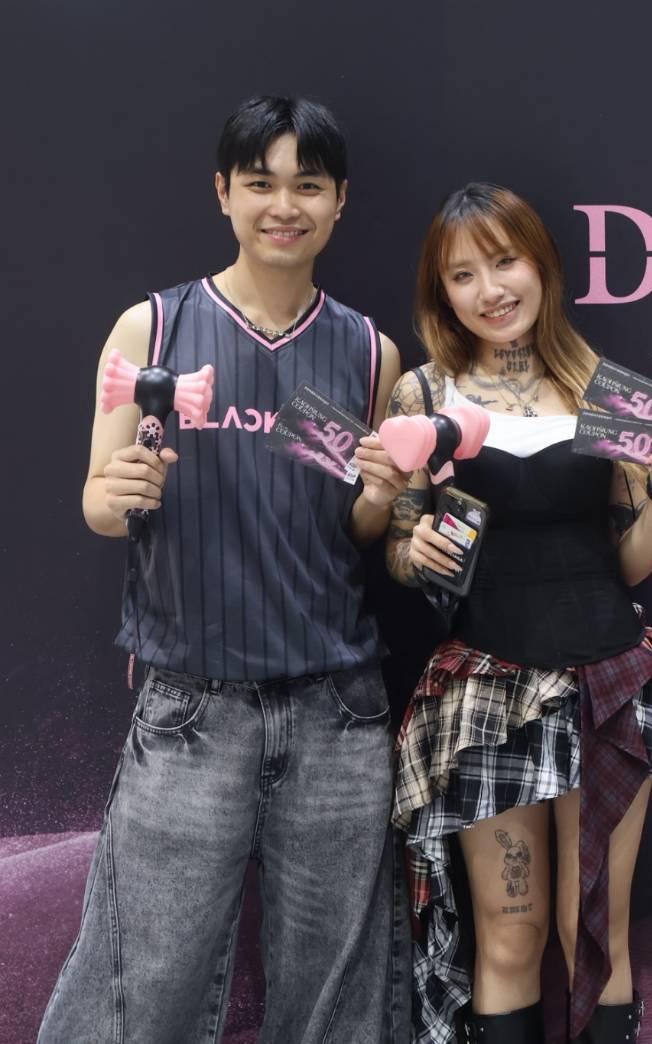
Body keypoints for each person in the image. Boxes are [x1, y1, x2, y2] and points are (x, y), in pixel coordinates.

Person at [42, 96, 412, 1043]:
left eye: (307, 186)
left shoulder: (371, 354)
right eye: (260, 183)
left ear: (340, 202)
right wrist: (120, 489)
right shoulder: (150, 330)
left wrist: (380, 495)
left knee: (335, 1005)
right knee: (136, 993)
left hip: (340, 713)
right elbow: (98, 501)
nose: (283, 206)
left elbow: (360, 529)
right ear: (222, 192)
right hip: (191, 710)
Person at [385, 182, 652, 1044]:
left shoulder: (608, 391)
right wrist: (418, 551)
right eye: (463, 275)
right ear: (441, 292)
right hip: (489, 694)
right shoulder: (423, 394)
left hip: (610, 684)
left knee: (594, 927)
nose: (489, 290)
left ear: (543, 266)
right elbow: (400, 548)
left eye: (505, 262)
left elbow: (630, 562)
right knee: (511, 933)